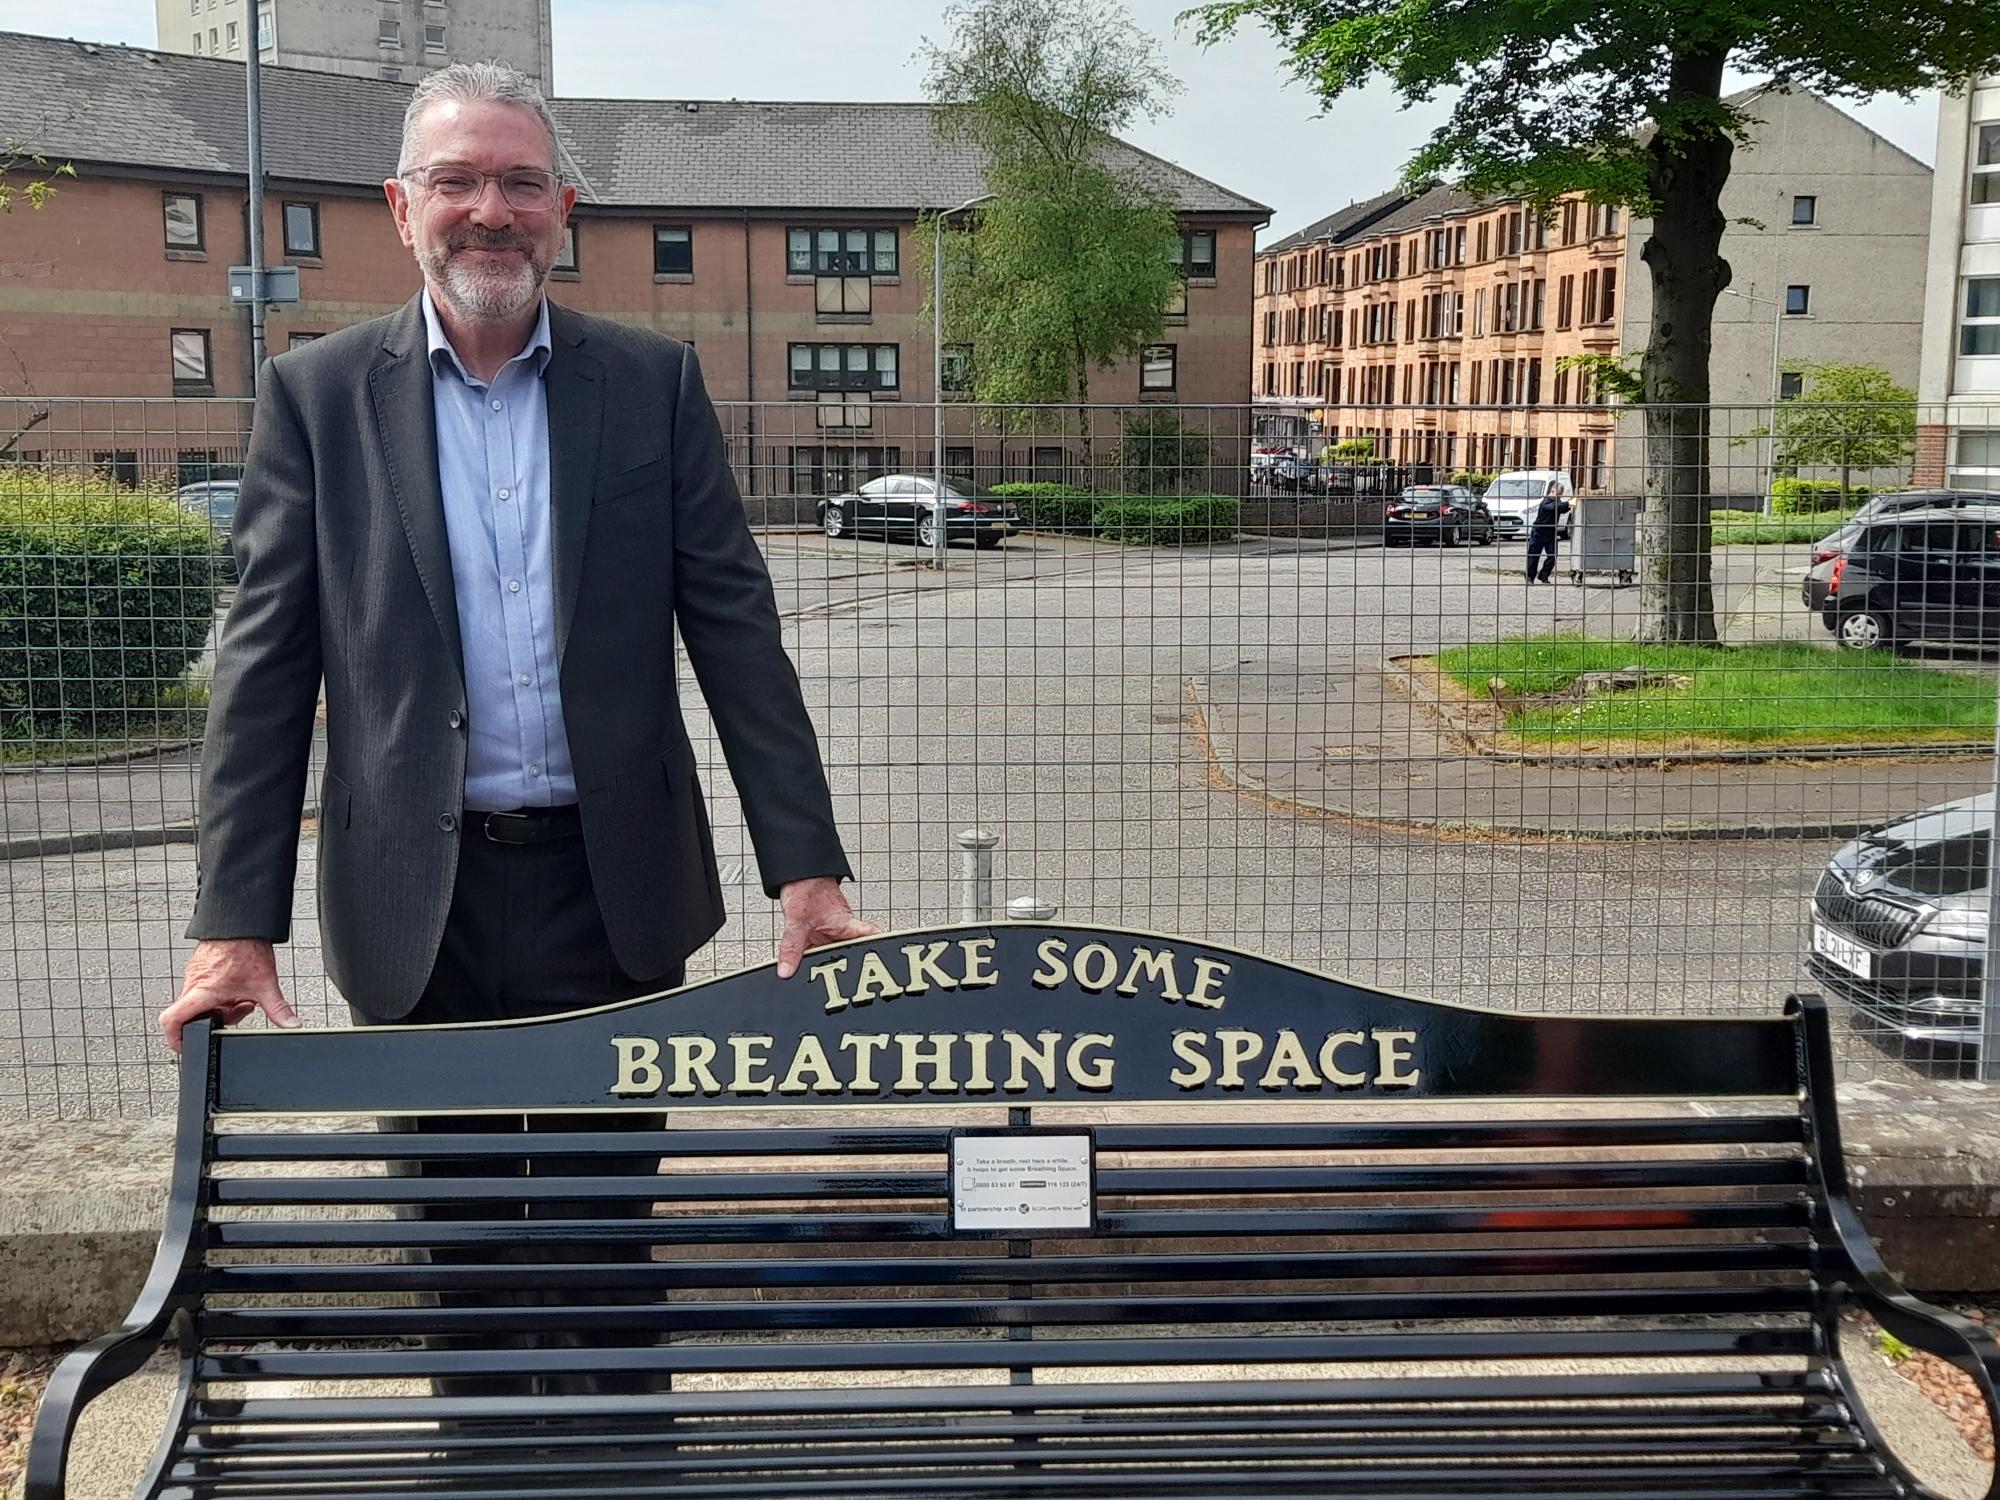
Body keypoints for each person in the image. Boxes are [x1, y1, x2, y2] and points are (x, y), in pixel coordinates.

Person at [160, 60, 875, 1047]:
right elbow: (263, 672)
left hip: (615, 892)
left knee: (611, 1201)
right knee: (439, 1202)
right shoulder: (315, 399)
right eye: (454, 181)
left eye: (521, 183)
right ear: (402, 208)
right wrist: (234, 921)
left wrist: (806, 867)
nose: (490, 212)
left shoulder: (651, 386)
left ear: (561, 208)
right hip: (409, 907)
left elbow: (738, 636)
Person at [1525, 478, 1569, 585]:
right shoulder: (1546, 501)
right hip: (1539, 532)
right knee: (1533, 556)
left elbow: (1562, 509)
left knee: (1552, 556)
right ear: (1552, 491)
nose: (1559, 497)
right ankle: (1529, 578)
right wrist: (1569, 503)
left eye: (1560, 495)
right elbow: (1554, 507)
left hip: (1551, 534)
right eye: (1558, 494)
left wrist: (1571, 504)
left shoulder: (1557, 502)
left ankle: (1543, 575)